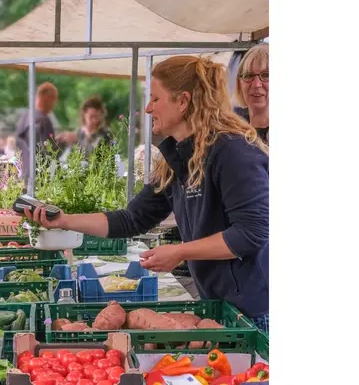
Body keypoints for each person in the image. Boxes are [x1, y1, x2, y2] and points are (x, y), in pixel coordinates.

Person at [25, 55, 269, 332]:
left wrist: (180, 252)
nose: (149, 108)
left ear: (183, 101)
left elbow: (253, 232)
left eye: (155, 98)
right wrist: (65, 220)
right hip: (220, 303)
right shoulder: (178, 157)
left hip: (257, 310)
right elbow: (132, 219)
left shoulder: (233, 151)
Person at [234, 44, 269, 144]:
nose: (256, 84)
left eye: (266, 75)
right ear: (239, 83)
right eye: (248, 75)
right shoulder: (230, 132)